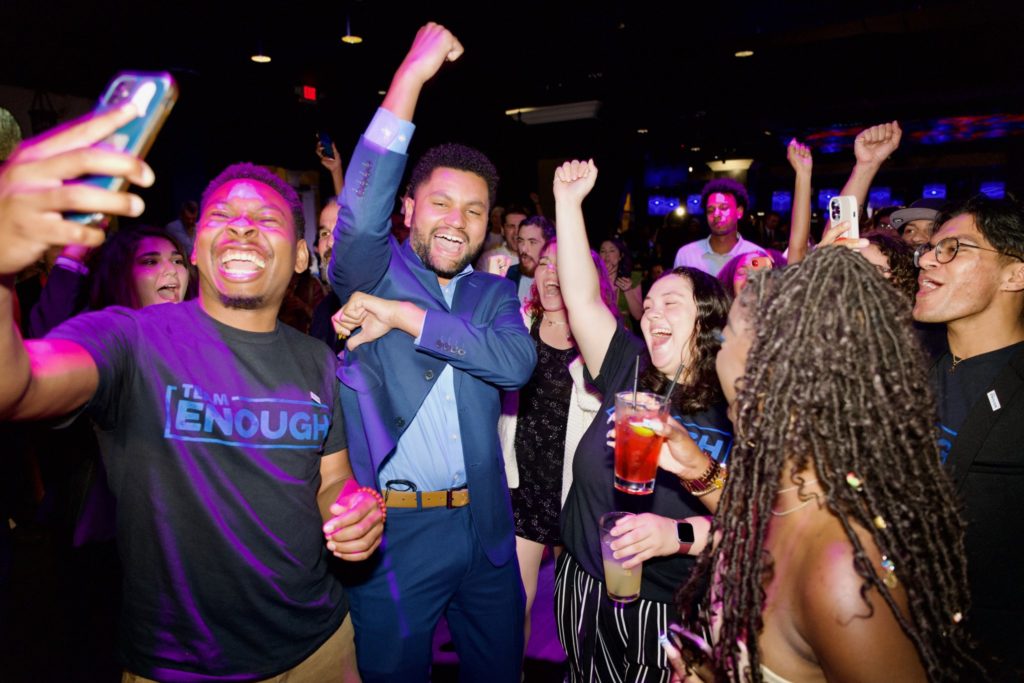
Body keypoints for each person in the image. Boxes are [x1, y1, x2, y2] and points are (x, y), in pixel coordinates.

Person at [0, 104, 383, 682]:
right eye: (222, 215)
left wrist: (350, 513)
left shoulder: (316, 359)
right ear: (197, 243)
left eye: (267, 219)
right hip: (180, 668)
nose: (242, 226)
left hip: (320, 649)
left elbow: (330, 479)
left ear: (302, 257)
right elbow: (17, 387)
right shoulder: (131, 339)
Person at [661, 247, 985, 682]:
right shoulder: (792, 485)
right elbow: (757, 524)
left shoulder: (844, 572)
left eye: (726, 337)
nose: (717, 353)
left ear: (772, 366)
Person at [327, 23, 536, 682]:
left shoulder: (490, 292)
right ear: (409, 208)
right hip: (396, 534)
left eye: (475, 211)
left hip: (486, 532)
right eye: (441, 202)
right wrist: (411, 77)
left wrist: (404, 318)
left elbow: (515, 363)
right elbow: (358, 215)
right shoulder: (370, 268)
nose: (457, 219)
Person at [552, 159, 732, 681]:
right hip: (583, 581)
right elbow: (582, 296)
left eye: (669, 304)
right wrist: (568, 204)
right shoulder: (628, 366)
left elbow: (757, 523)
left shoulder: (736, 405)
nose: (651, 313)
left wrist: (673, 533)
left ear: (709, 318)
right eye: (647, 304)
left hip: (666, 606)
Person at [913, 195, 1024, 679]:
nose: (924, 260)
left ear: (1015, 275)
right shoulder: (911, 373)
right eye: (928, 249)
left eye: (952, 248)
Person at [500, 240, 613, 653]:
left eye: (562, 264)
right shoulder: (517, 321)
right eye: (545, 262)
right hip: (523, 487)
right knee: (515, 606)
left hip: (575, 492)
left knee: (579, 613)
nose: (550, 271)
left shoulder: (598, 336)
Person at [673, 178, 764, 276]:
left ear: (739, 212)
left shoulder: (756, 255)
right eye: (711, 210)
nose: (716, 214)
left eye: (724, 208)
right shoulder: (687, 255)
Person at [599, 236, 642, 328]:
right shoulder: (593, 276)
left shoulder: (632, 277)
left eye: (612, 251)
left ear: (620, 256)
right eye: (603, 251)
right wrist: (601, 277)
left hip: (623, 333)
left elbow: (638, 315)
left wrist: (628, 290)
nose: (607, 255)